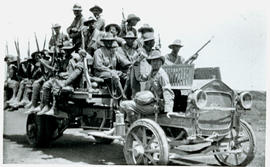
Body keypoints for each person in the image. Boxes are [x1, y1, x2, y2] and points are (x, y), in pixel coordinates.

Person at [120, 50, 175, 123]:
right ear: (151, 63)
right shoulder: (152, 73)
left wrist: (168, 110)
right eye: (153, 61)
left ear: (161, 62)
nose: (155, 63)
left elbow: (167, 91)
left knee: (124, 104)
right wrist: (137, 64)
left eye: (157, 60)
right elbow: (140, 78)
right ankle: (132, 125)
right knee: (128, 105)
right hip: (149, 103)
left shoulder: (162, 75)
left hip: (156, 106)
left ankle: (133, 128)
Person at [93, 33, 127, 99]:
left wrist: (132, 64)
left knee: (126, 77)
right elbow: (98, 66)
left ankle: (128, 95)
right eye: (107, 41)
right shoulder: (98, 51)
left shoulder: (114, 52)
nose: (109, 42)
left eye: (111, 41)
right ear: (104, 42)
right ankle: (122, 97)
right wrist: (111, 71)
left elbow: (123, 61)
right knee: (115, 76)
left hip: (112, 72)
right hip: (100, 73)